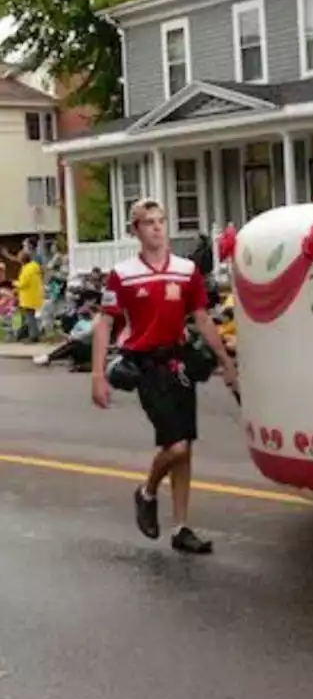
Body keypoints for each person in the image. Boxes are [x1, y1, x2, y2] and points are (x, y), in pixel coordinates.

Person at [91, 199, 239, 553]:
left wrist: (226, 362)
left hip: (179, 362)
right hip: (144, 365)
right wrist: (97, 374)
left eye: (161, 221)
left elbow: (202, 318)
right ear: (135, 231)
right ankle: (147, 492)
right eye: (148, 222)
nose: (157, 228)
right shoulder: (123, 274)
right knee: (175, 445)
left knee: (184, 448)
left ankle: (181, 527)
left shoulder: (186, 270)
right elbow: (106, 322)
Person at [15, 249, 43, 343]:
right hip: (34, 294)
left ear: (23, 259)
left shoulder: (27, 269)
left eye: (19, 257)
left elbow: (23, 283)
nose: (18, 258)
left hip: (28, 296)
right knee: (30, 317)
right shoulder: (34, 266)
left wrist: (15, 283)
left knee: (30, 317)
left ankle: (33, 336)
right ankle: (27, 334)